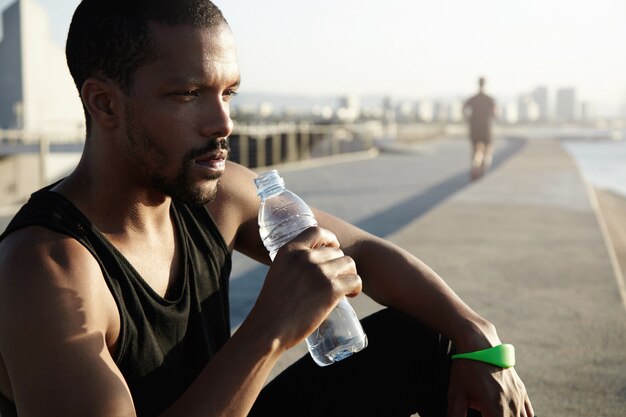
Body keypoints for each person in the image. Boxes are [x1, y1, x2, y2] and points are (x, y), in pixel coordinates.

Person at [0, 1, 534, 416]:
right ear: (104, 103)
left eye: (228, 93)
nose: (222, 123)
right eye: (189, 94)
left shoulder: (216, 196)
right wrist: (270, 329)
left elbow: (363, 252)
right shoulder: (46, 272)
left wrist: (477, 334)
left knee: (432, 340)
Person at [463, 77, 497, 180]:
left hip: (474, 127)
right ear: (485, 84)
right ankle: (483, 168)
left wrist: (468, 119)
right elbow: (495, 113)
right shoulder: (489, 99)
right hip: (485, 128)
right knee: (488, 149)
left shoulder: (473, 98)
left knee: (476, 150)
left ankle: (475, 166)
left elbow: (464, 108)